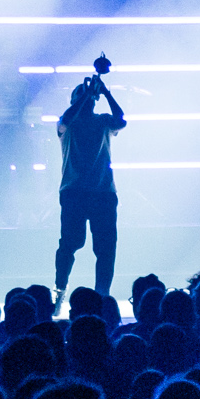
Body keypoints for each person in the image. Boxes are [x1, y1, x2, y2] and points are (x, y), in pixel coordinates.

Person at [53, 64, 126, 303]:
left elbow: (121, 120)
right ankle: (60, 290)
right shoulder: (67, 123)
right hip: (77, 192)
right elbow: (66, 117)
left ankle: (102, 296)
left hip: (100, 193)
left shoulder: (103, 121)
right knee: (71, 243)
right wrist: (87, 95)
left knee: (105, 248)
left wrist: (106, 92)